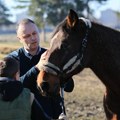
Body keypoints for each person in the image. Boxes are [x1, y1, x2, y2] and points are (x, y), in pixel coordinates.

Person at [7, 18, 74, 120]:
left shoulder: (51, 56)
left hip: (53, 115)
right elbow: (12, 89)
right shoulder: (12, 60)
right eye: (27, 36)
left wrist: (63, 71)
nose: (33, 38)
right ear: (19, 39)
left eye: (34, 33)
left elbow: (69, 87)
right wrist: (37, 67)